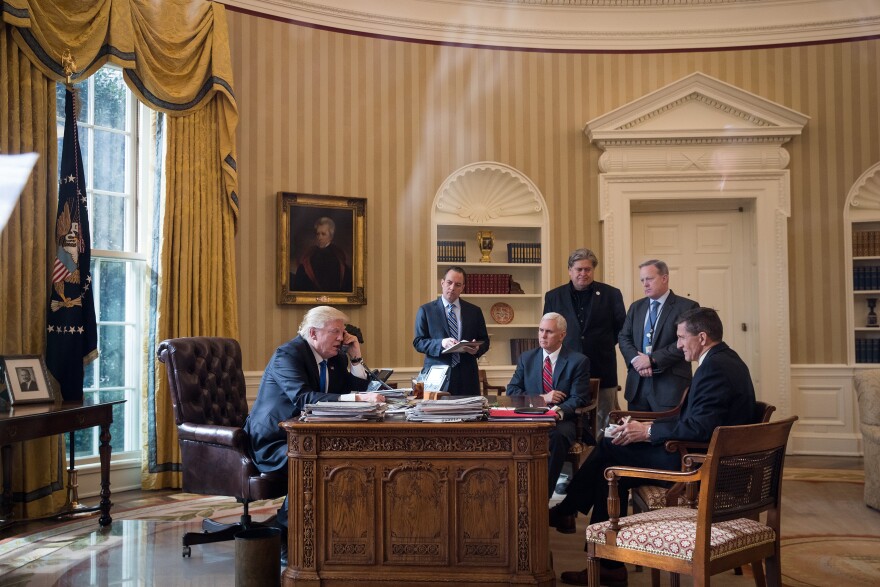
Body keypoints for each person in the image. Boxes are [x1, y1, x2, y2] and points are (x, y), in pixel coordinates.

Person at [551, 307, 757, 586]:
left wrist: (647, 431)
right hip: (696, 453)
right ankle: (600, 554)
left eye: (682, 338)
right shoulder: (722, 360)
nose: (679, 344)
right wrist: (638, 425)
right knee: (611, 461)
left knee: (610, 456)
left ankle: (575, 520)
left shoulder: (716, 367)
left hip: (700, 465)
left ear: (703, 337)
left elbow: (701, 428)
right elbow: (693, 419)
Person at [244, 305, 384, 565]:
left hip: (309, 438)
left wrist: (355, 358)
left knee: (344, 461)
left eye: (343, 333)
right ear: (313, 333)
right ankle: (286, 535)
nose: (342, 339)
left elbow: (354, 389)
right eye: (336, 332)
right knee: (314, 464)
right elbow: (303, 398)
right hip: (274, 440)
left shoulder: (334, 358)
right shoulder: (288, 354)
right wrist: (355, 397)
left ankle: (340, 533)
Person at [506, 312, 591, 496]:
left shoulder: (578, 361)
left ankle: (541, 498)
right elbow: (511, 391)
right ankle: (515, 495)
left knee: (556, 436)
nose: (543, 336)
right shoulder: (526, 358)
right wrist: (542, 398)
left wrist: (557, 412)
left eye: (549, 332)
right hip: (529, 417)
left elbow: (579, 398)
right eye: (541, 330)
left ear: (562, 335)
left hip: (562, 420)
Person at [543, 248, 625, 434]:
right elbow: (548, 329)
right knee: (567, 413)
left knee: (604, 416)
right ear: (570, 270)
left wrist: (601, 344)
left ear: (593, 270)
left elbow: (622, 329)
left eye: (587, 269)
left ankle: (603, 458)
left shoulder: (611, 294)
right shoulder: (554, 296)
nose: (583, 274)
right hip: (566, 367)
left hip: (602, 364)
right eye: (579, 269)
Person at [618, 259, 699, 412]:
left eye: (649, 279)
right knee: (635, 433)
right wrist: (636, 360)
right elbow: (623, 337)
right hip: (638, 385)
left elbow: (687, 342)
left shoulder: (687, 307)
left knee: (665, 434)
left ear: (664, 278)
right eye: (642, 280)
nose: (645, 284)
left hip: (669, 387)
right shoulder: (636, 307)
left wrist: (651, 360)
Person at [413, 267, 489, 395]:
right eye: (449, 282)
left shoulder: (474, 311)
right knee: (437, 414)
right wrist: (441, 343)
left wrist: (477, 349)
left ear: (462, 287)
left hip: (467, 378)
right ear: (442, 283)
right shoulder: (426, 310)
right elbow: (418, 342)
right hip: (437, 377)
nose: (452, 288)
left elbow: (485, 341)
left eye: (457, 285)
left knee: (470, 414)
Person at [290, 216, 352, 292]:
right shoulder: (310, 254)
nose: (319, 237)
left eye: (323, 234)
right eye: (318, 234)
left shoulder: (338, 256)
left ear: (331, 236)